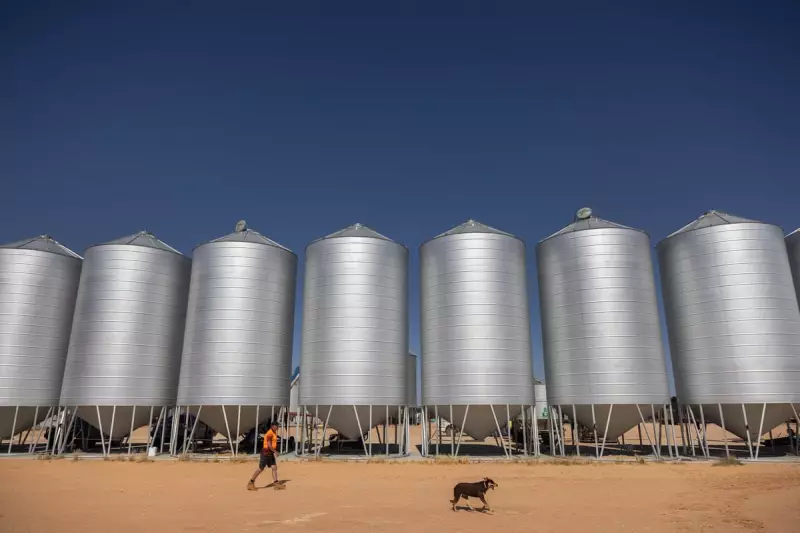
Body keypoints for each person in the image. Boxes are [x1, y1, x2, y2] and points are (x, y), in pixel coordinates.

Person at [247, 421, 280, 491]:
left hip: (270, 453)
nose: (277, 427)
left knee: (274, 467)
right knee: (260, 469)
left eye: (277, 426)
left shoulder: (274, 432)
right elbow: (269, 445)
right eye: (276, 426)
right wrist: (275, 451)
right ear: (272, 426)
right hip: (266, 453)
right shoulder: (270, 434)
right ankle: (251, 482)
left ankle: (276, 484)